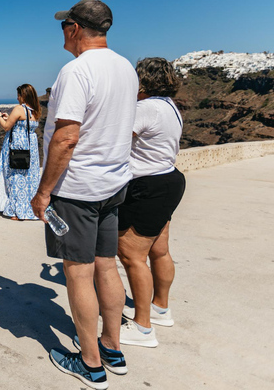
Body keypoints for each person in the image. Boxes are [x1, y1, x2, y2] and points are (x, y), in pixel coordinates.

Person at [30, 0, 138, 390]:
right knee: (107, 266)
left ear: (74, 29)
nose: (61, 33)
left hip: (76, 190)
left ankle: (90, 364)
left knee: (78, 273)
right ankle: (112, 347)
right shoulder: (126, 67)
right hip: (113, 184)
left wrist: (44, 192)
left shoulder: (76, 71)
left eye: (64, 26)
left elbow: (67, 136)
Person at [116, 58, 186, 348]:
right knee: (159, 250)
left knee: (132, 256)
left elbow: (116, 143)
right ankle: (160, 308)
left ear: (142, 80)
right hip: (169, 179)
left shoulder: (144, 108)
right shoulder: (171, 106)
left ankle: (142, 327)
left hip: (147, 187)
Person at [0, 84, 42, 221]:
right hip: (30, 147)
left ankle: (16, 211)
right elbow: (21, 123)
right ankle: (29, 209)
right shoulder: (35, 110)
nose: (17, 97)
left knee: (15, 177)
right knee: (29, 178)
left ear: (23, 95)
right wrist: (8, 117)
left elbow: (6, 127)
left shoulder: (19, 108)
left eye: (18, 95)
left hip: (17, 147)